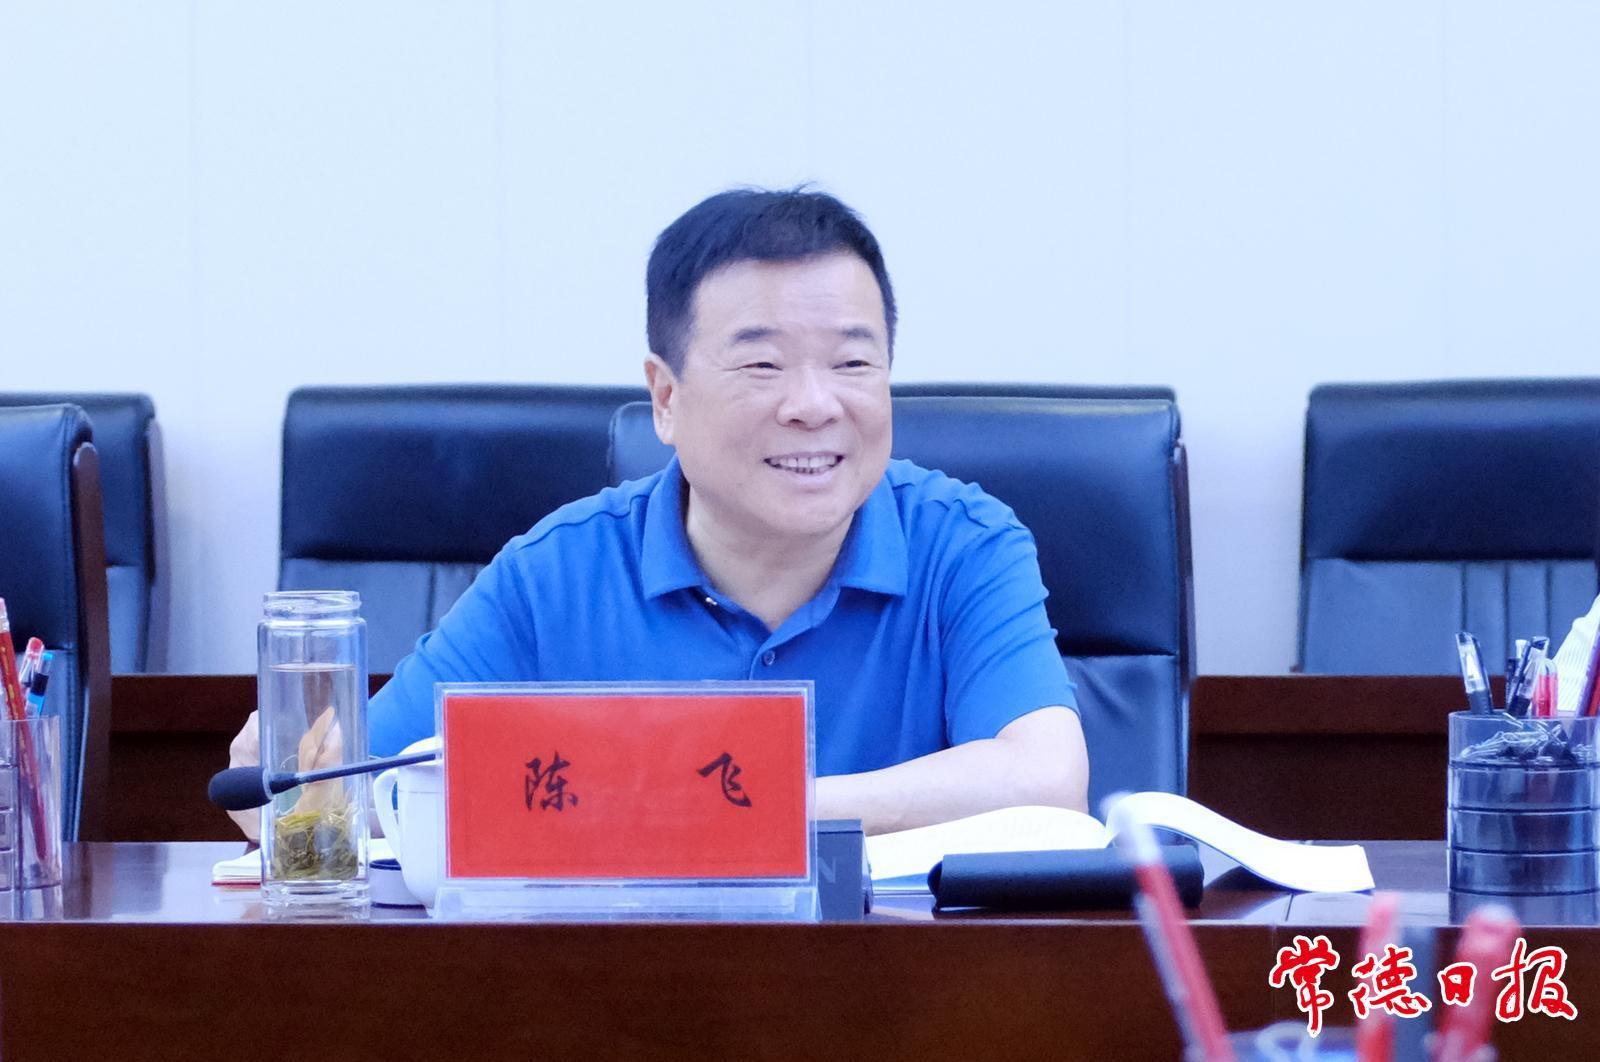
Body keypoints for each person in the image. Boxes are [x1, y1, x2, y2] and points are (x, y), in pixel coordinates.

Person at [229, 187, 1088, 838]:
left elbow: (1048, 782)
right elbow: (340, 795)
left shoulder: (964, 547)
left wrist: (748, 812)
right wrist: (284, 781)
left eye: (853, 364)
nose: (814, 404)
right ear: (666, 398)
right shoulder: (556, 576)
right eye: (762, 366)